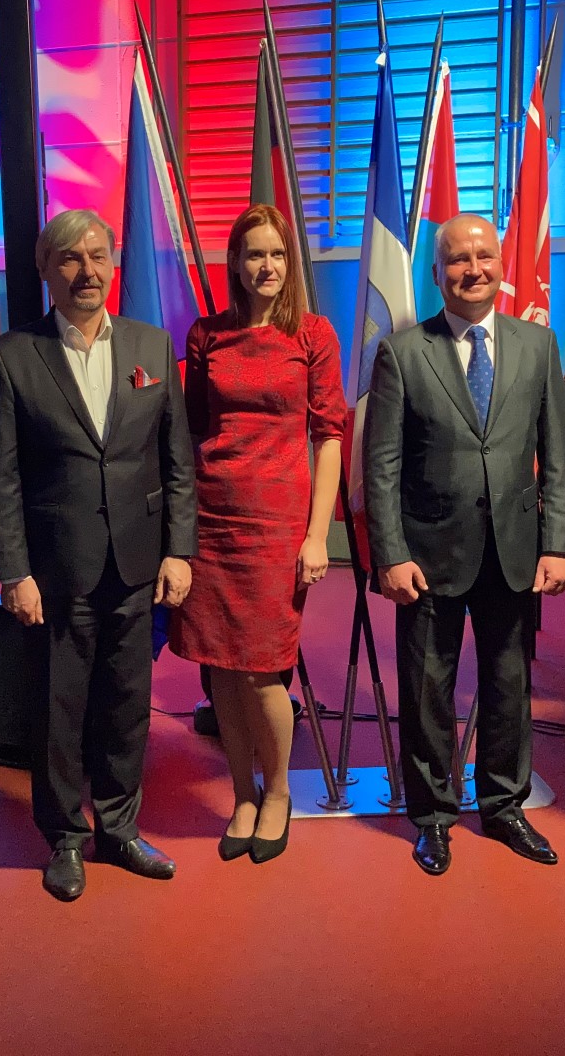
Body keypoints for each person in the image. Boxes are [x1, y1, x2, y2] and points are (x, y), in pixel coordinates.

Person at [0, 208, 196, 902]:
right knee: (58, 709)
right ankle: (66, 836)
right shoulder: (12, 357)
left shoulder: (152, 345)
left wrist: (179, 551)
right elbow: (1, 479)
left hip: (137, 563)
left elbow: (177, 461)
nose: (86, 271)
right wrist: (15, 570)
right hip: (55, 570)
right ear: (45, 268)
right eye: (69, 258)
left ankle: (121, 828)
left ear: (113, 263)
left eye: (97, 256)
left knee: (128, 704)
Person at [363, 213, 565, 876]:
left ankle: (505, 806)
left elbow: (558, 453)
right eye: (458, 260)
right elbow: (382, 464)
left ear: (502, 265)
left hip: (514, 552)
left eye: (484, 257)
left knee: (509, 685)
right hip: (427, 556)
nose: (473, 270)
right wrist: (390, 553)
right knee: (427, 689)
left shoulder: (537, 345)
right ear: (437, 274)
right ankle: (432, 816)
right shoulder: (404, 352)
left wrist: (559, 542)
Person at [169, 203, 345, 863]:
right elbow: (192, 431)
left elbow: (330, 437)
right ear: (236, 264)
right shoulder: (206, 335)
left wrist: (317, 535)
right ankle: (242, 794)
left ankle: (278, 794)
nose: (265, 266)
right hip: (212, 521)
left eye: (276, 253)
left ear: (288, 261)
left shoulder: (313, 335)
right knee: (220, 666)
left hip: (278, 526)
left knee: (264, 671)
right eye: (253, 254)